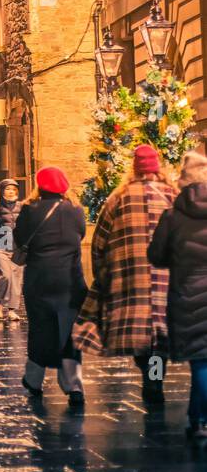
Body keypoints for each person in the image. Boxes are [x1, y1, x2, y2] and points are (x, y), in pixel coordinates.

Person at [74, 143, 176, 404]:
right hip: (167, 278)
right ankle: (155, 379)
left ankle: (149, 376)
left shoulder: (118, 198)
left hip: (129, 279)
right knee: (157, 334)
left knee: (142, 334)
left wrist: (102, 275)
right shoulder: (172, 195)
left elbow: (99, 242)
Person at [14, 167, 88, 407]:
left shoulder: (29, 210)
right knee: (69, 333)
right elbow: (82, 235)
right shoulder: (76, 211)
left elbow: (19, 238)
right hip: (70, 281)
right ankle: (73, 386)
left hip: (39, 280)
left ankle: (34, 380)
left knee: (40, 329)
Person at [147, 150, 207, 440]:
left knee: (201, 360)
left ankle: (198, 420)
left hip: (187, 294)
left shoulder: (173, 215)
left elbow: (156, 256)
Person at [0, 179, 25, 319]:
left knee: (16, 280)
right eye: (7, 189)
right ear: (2, 191)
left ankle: (12, 309)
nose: (11, 192)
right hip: (1, 247)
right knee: (5, 276)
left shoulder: (23, 207)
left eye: (13, 189)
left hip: (18, 248)